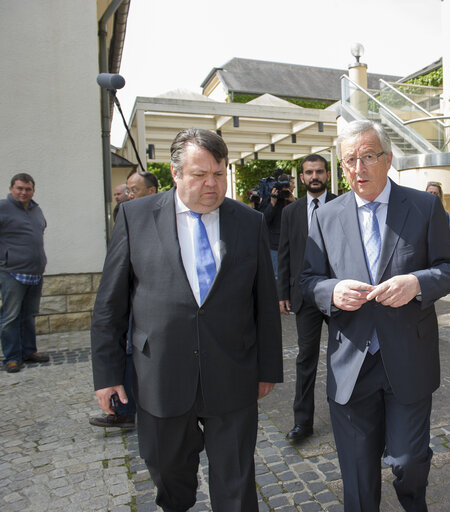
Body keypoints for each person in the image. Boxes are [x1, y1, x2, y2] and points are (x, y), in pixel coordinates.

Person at [91, 128, 282, 511]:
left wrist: (267, 369)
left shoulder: (249, 222)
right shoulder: (135, 217)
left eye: (219, 173)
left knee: (236, 481)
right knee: (168, 475)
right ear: (176, 173)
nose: (212, 184)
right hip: (160, 375)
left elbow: (264, 301)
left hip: (232, 372)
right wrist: (108, 375)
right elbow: (111, 305)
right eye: (200, 175)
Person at [301, 120, 450, 511]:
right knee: (357, 478)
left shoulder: (424, 208)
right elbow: (309, 280)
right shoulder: (325, 216)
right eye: (350, 161)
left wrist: (416, 283)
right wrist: (332, 292)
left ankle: (413, 502)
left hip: (408, 359)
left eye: (368, 157)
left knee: (408, 461)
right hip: (351, 363)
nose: (359, 169)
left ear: (388, 159)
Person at [91, 173, 160, 429]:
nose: (129, 195)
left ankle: (130, 407)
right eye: (127, 191)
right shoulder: (126, 215)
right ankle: (125, 406)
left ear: (152, 191)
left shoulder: (162, 220)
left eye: (134, 190)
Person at [277, 154, 337, 442]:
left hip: (338, 292)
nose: (314, 176)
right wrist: (283, 294)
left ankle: (346, 416)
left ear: (327, 174)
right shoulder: (291, 212)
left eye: (319, 171)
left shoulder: (342, 205)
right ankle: (303, 423)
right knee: (305, 359)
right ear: (301, 177)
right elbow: (285, 254)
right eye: (309, 172)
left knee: (344, 358)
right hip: (305, 296)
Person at [0, 173, 49, 373]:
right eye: (19, 188)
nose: (23, 192)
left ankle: (29, 351)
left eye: (27, 189)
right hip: (12, 272)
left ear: (33, 190)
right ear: (12, 188)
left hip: (34, 272)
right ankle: (12, 357)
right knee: (10, 316)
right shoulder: (3, 207)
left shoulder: (36, 209)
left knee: (28, 315)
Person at [261, 172, 296, 278]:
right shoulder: (270, 200)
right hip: (275, 245)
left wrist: (293, 202)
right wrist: (272, 203)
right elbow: (264, 221)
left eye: (289, 185)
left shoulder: (294, 201)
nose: (290, 187)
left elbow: (301, 219)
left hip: (292, 245)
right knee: (276, 276)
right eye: (284, 186)